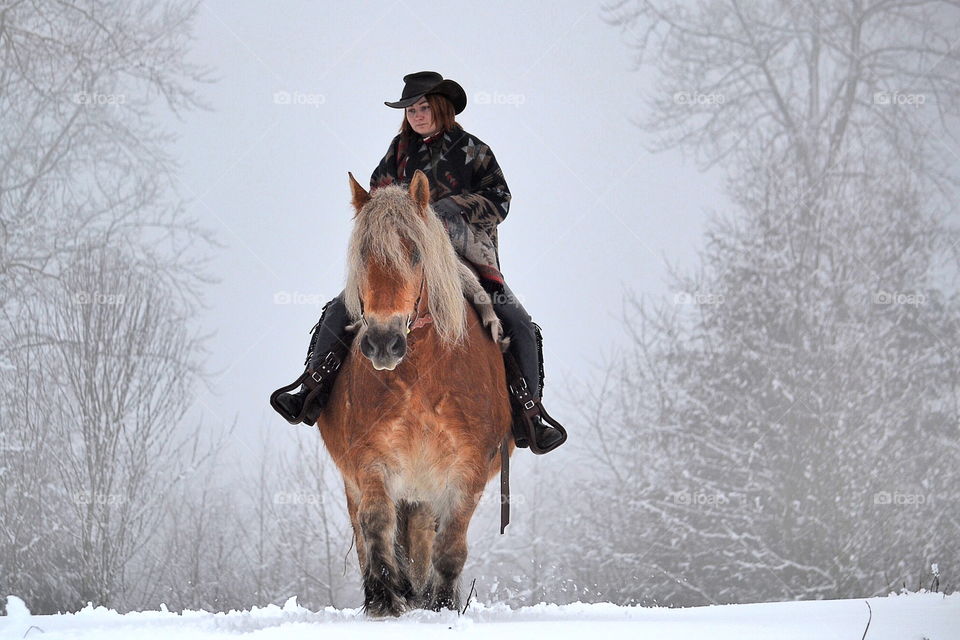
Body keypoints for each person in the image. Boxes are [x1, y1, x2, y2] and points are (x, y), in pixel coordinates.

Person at [272, 71, 565, 452]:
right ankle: (311, 387)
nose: (416, 115)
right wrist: (393, 218)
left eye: (423, 107)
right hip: (404, 261)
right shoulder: (398, 151)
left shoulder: (473, 149)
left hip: (465, 257)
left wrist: (448, 208)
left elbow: (500, 199)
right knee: (337, 309)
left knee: (519, 323)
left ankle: (531, 413)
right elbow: (376, 198)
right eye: (410, 109)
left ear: (441, 108)